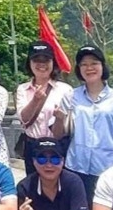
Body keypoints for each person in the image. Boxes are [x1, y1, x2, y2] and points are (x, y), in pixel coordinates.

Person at [52, 45, 113, 201]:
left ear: (103, 66)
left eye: (94, 63)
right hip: (76, 166)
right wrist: (59, 119)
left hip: (108, 167)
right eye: (84, 64)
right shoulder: (71, 97)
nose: (89, 68)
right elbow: (57, 134)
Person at [15, 41, 73, 174]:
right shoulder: (22, 89)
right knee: (33, 183)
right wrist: (35, 100)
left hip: (57, 146)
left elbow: (66, 129)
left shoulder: (65, 90)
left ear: (53, 62)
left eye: (46, 60)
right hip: (33, 145)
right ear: (29, 63)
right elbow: (24, 119)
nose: (41, 64)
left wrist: (59, 118)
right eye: (36, 60)